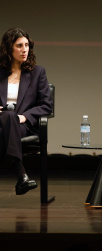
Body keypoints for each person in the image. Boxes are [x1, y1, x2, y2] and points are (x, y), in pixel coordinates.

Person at [0, 28, 52, 195]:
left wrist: (24, 116)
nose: (24, 50)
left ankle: (21, 174)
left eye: (27, 45)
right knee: (7, 115)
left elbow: (46, 105)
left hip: (22, 125)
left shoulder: (37, 73)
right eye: (19, 45)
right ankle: (21, 174)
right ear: (9, 48)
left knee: (10, 117)